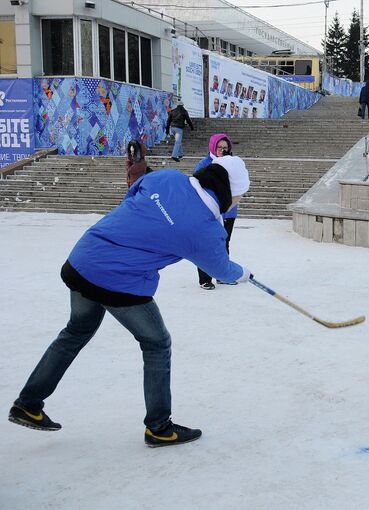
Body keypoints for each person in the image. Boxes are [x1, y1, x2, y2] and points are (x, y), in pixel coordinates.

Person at [7, 155, 252, 447]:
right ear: (228, 190)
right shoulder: (205, 229)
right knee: (157, 343)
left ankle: (28, 403)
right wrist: (244, 274)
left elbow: (133, 192)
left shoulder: (168, 178)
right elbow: (221, 269)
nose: (239, 200)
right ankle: (160, 427)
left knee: (76, 331)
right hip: (120, 282)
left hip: (84, 259)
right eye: (240, 194)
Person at [194, 135, 239, 290]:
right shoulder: (205, 164)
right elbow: (197, 186)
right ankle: (205, 278)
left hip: (229, 212)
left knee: (224, 244)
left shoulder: (233, 164)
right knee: (207, 244)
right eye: (219, 147)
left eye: (225, 148)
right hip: (209, 212)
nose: (222, 150)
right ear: (213, 147)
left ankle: (223, 275)